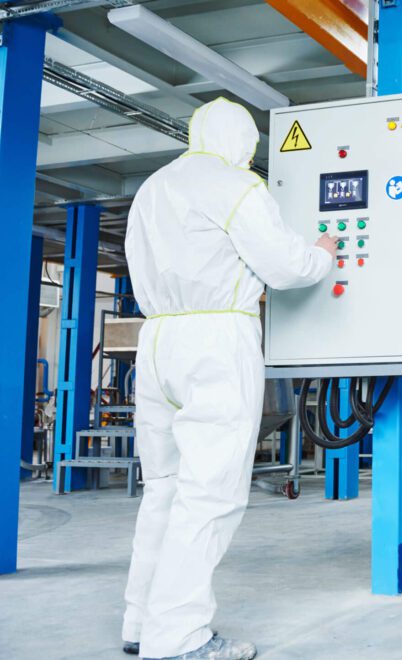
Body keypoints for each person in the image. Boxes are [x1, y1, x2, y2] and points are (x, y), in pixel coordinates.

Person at [121, 97, 336, 659]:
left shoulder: (151, 189)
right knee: (209, 494)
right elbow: (286, 266)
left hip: (157, 340)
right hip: (216, 343)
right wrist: (324, 254)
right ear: (244, 143)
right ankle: (178, 639)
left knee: (164, 489)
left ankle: (140, 622)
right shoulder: (236, 185)